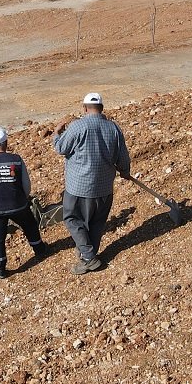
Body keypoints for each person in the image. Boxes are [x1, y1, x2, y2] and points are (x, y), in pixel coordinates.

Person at [53, 93, 131, 275]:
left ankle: (88, 257)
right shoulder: (113, 128)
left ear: (85, 108)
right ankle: (88, 254)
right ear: (102, 109)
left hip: (79, 187)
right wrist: (124, 171)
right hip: (104, 188)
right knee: (96, 222)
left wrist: (57, 133)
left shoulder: (77, 126)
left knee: (72, 219)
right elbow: (123, 156)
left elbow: (60, 148)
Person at [0, 127, 48, 279]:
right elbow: (26, 184)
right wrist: (23, 198)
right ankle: (41, 251)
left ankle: (0, 269)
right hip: (17, 205)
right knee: (30, 226)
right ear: (6, 142)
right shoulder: (16, 160)